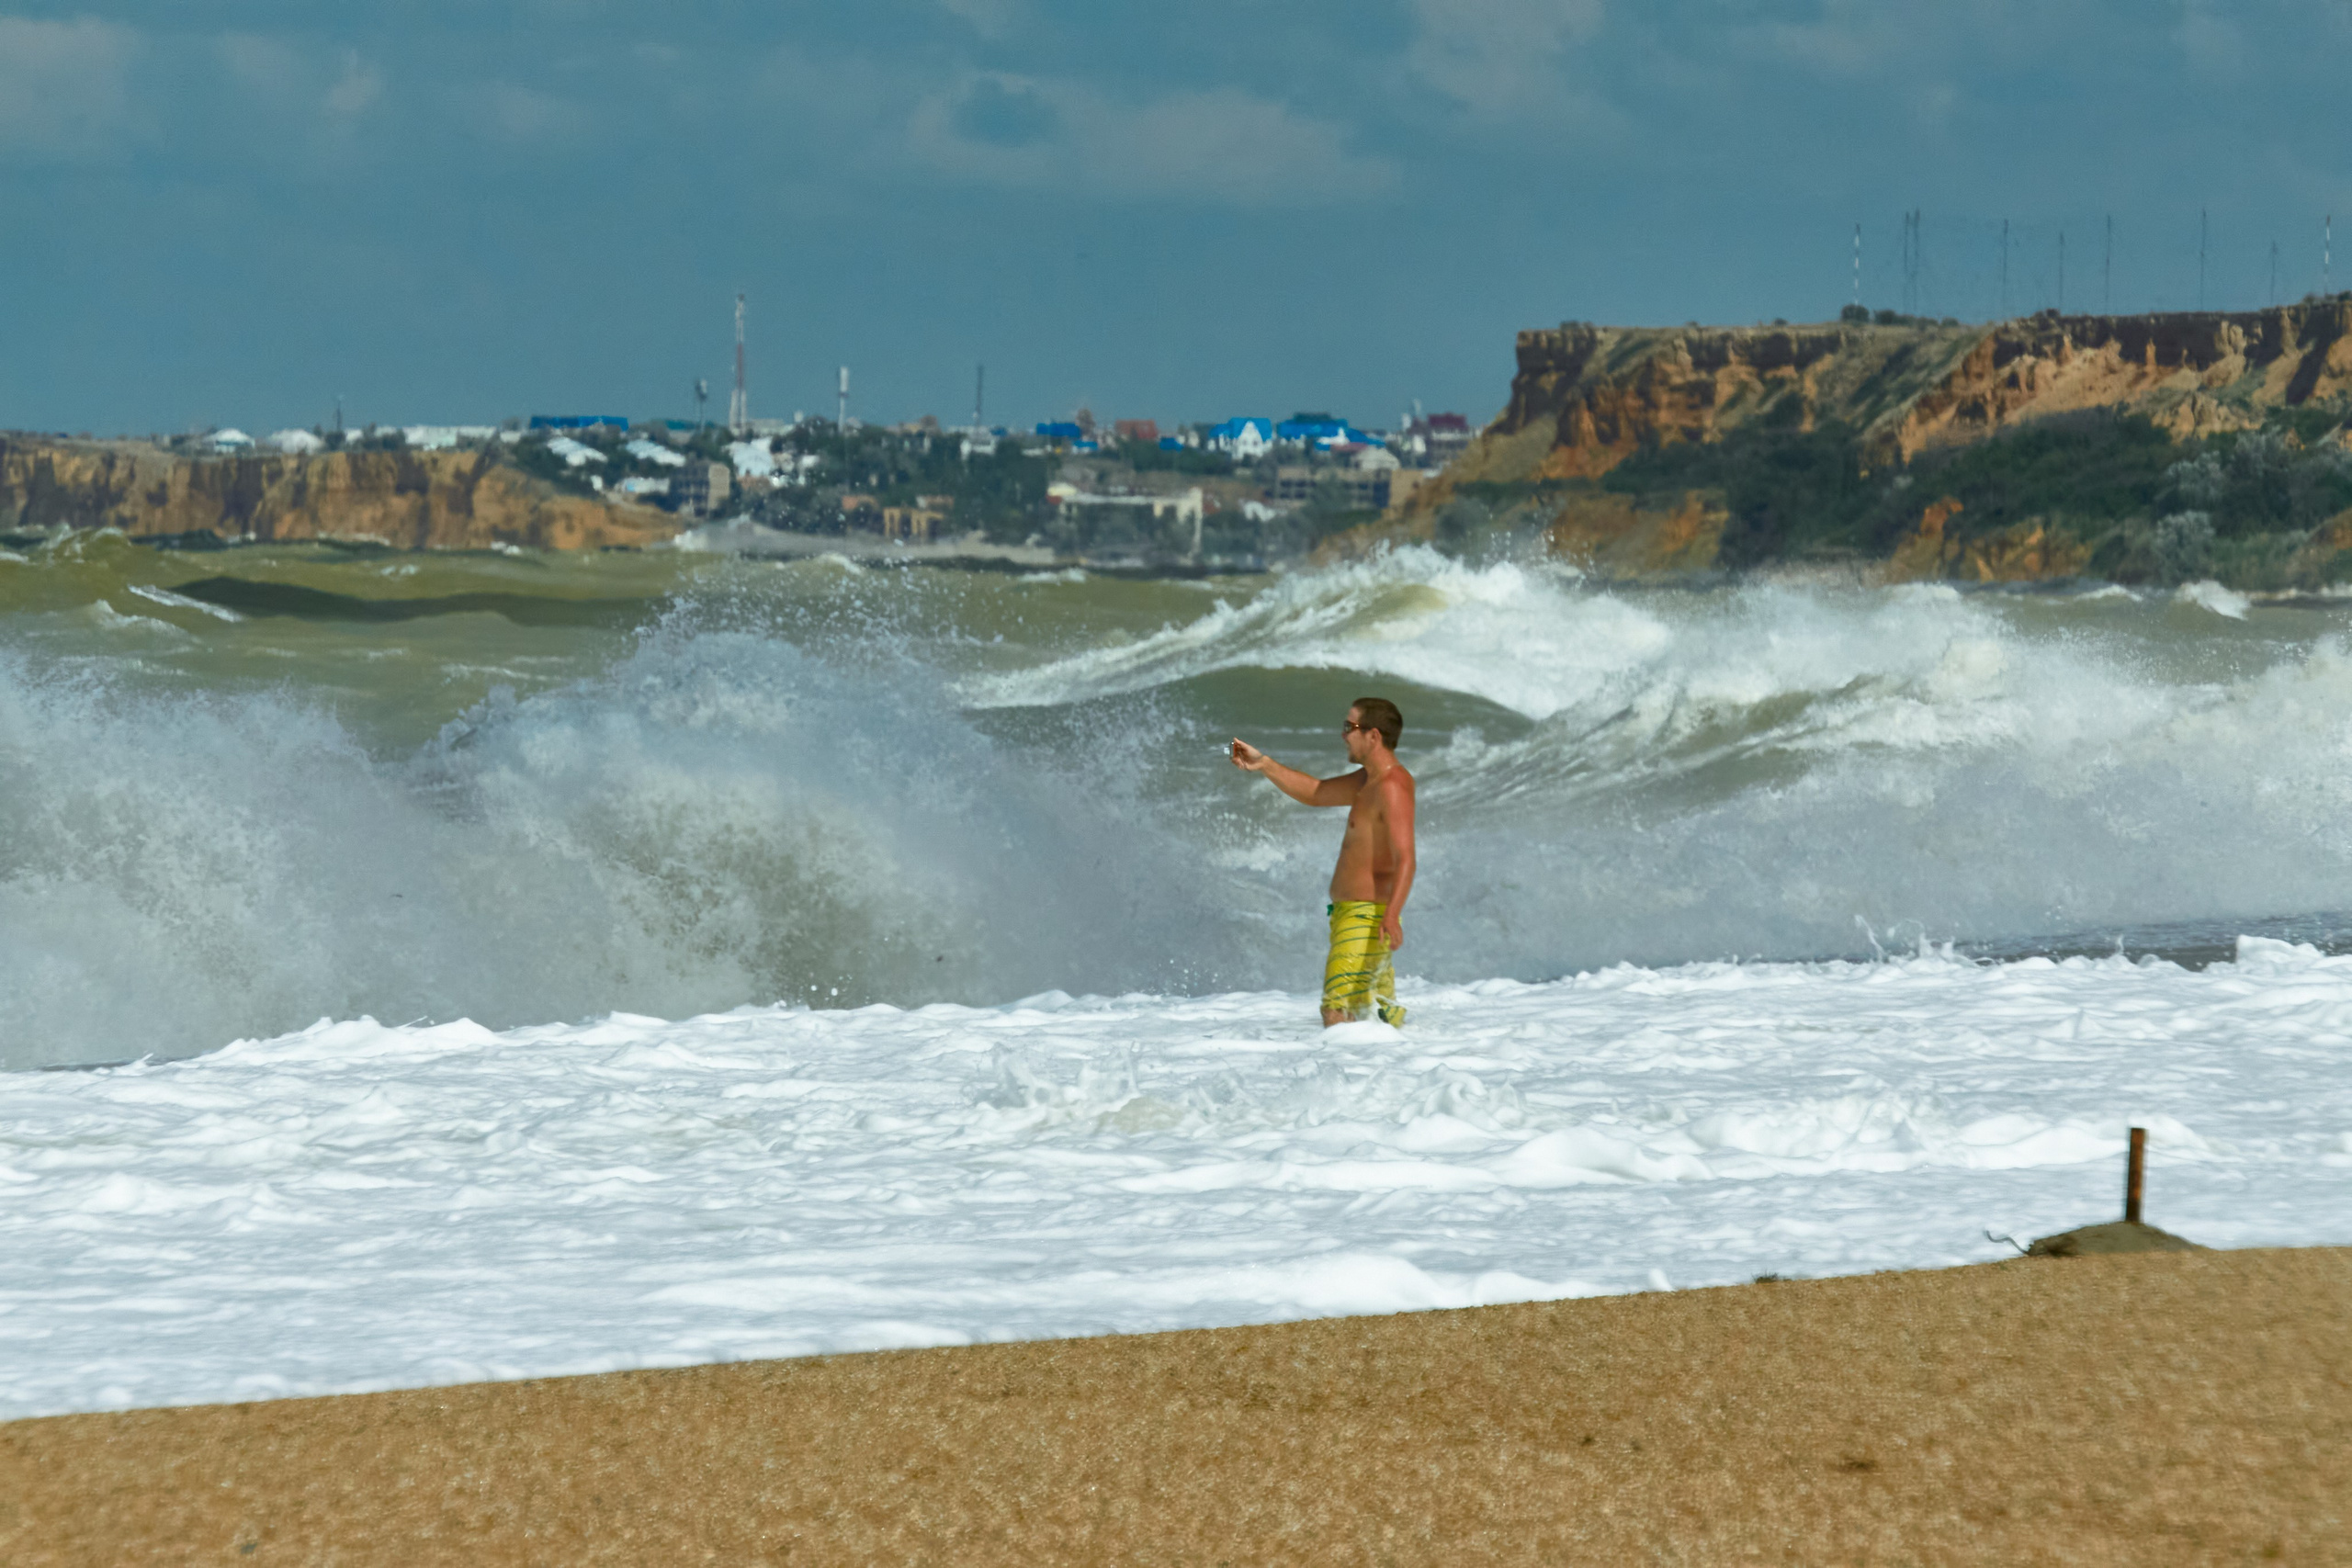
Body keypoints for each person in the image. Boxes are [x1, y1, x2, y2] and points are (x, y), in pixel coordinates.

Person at [1230, 698, 1416, 1028]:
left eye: (1350, 727)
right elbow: (1316, 793)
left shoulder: (1393, 786)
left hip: (1366, 917)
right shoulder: (1366, 781)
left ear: (1373, 736)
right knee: (1375, 1014)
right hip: (1354, 915)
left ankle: (1349, 1077)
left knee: (1337, 1012)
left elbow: (1406, 859)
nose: (1343, 735)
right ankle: (1395, 1073)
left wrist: (1390, 917)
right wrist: (1265, 765)